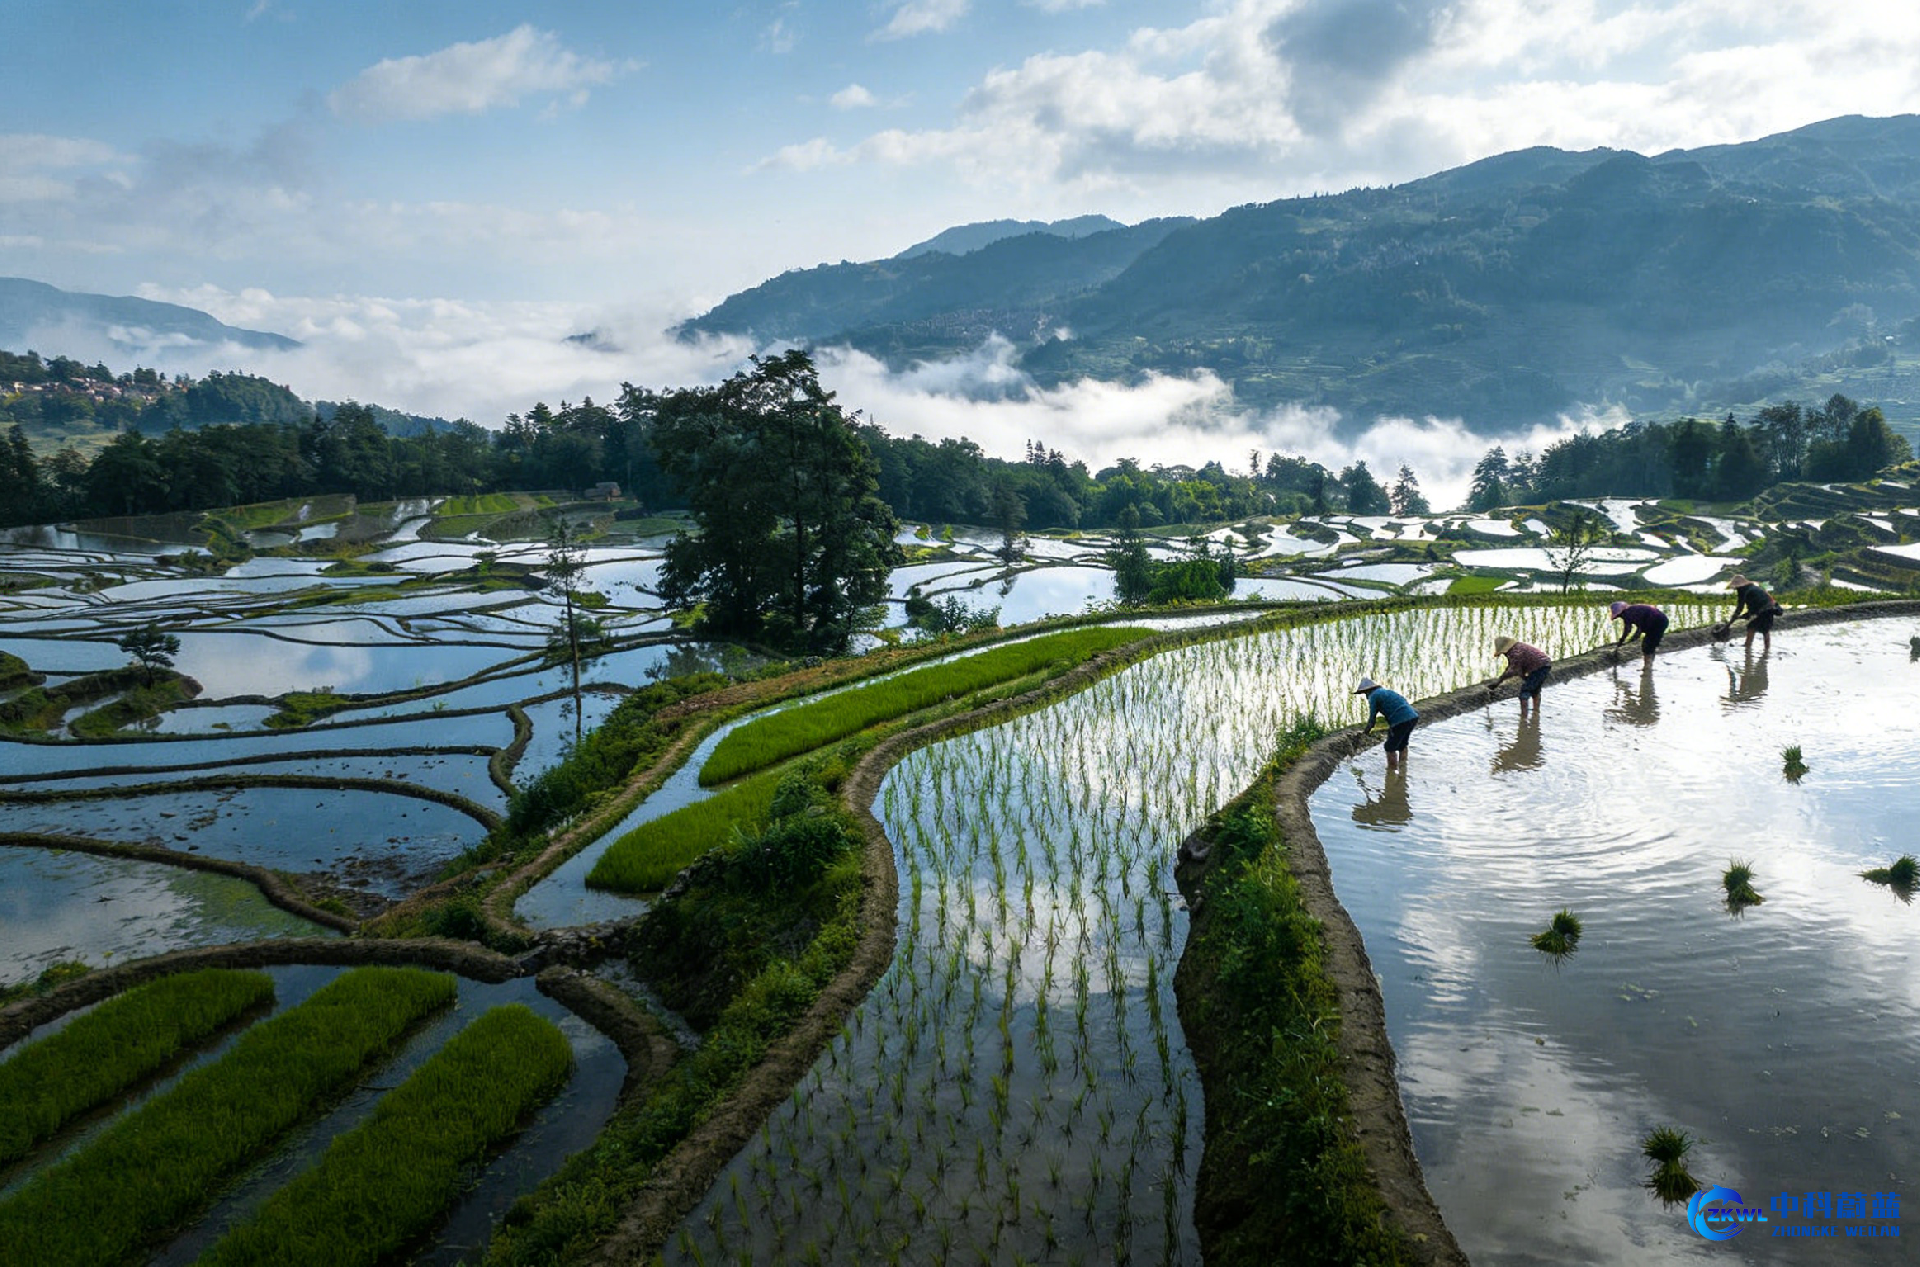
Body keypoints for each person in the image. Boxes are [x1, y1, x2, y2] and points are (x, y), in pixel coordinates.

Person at [1355, 675, 1418, 770]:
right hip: (1412, 717)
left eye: (1365, 693)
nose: (1366, 697)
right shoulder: (1387, 692)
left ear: (1367, 691)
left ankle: (1392, 771)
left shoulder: (1373, 696)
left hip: (1400, 720)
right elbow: (1403, 701)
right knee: (1403, 744)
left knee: (1389, 747)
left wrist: (1366, 732)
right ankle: (1403, 767)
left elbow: (1372, 718)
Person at [1490, 635, 1551, 718]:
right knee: (1535, 690)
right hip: (1545, 664)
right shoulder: (1517, 647)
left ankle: (1523, 718)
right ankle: (1536, 713)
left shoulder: (1515, 653)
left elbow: (1513, 670)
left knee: (1524, 692)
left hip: (1539, 667)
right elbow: (1516, 667)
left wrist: (1498, 682)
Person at [1724, 574, 1781, 652]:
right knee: (1765, 630)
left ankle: (1748, 648)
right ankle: (1766, 650)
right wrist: (1742, 616)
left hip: (1763, 609)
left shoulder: (1743, 591)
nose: (1736, 589)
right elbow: (1755, 606)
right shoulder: (1755, 588)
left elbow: (1740, 608)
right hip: (1771, 608)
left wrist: (1730, 623)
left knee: (1751, 627)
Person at [1609, 599, 1670, 668]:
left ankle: (1647, 668)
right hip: (1661, 621)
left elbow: (1633, 630)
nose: (1619, 617)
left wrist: (1625, 640)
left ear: (1620, 612)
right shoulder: (1631, 610)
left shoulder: (1627, 614)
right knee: (1650, 646)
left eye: (1618, 616)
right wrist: (1623, 640)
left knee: (1647, 646)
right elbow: (1630, 629)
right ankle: (1649, 666)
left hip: (1657, 623)